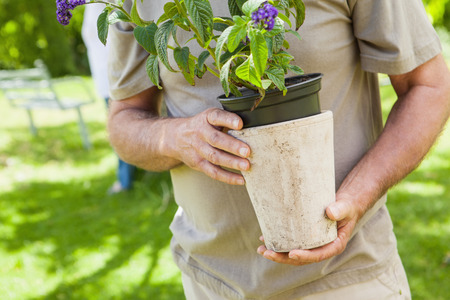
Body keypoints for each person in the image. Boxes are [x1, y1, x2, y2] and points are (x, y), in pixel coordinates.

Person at [106, 0, 450, 298]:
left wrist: (358, 196)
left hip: (344, 279)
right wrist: (174, 138)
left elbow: (430, 86)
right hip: (209, 282)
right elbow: (124, 120)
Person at [81, 4, 136, 194]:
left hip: (114, 74)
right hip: (106, 75)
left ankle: (125, 181)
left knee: (122, 125)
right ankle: (129, 176)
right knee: (120, 125)